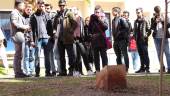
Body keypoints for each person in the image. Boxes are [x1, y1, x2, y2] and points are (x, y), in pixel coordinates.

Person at [53, 0, 77, 76]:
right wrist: (54, 31)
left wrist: (71, 30)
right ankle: (63, 71)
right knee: (61, 56)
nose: (62, 7)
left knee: (71, 55)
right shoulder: (57, 15)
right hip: (60, 39)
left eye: (63, 5)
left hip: (68, 38)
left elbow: (75, 23)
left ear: (65, 5)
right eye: (60, 5)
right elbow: (54, 26)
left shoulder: (69, 13)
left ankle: (71, 70)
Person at [30, 1, 52, 77]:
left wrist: (50, 35)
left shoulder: (46, 15)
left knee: (47, 56)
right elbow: (32, 29)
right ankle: (37, 72)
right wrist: (32, 40)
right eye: (40, 6)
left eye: (42, 6)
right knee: (37, 56)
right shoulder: (33, 16)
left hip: (46, 38)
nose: (41, 7)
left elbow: (50, 27)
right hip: (37, 39)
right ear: (37, 6)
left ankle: (48, 72)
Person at [10, 0, 30, 78]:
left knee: (20, 55)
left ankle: (19, 71)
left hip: (20, 35)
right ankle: (17, 72)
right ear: (17, 5)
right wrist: (25, 27)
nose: (23, 7)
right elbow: (14, 23)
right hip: (17, 36)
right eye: (22, 5)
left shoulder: (18, 13)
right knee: (18, 55)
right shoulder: (14, 12)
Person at [71, 7, 93, 76]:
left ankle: (89, 70)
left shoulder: (81, 19)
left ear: (77, 10)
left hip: (80, 40)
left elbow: (84, 29)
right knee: (75, 56)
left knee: (84, 55)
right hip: (73, 40)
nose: (73, 11)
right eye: (72, 10)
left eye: (74, 9)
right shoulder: (70, 19)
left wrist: (86, 39)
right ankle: (77, 71)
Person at [88, 5, 108, 72]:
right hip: (94, 40)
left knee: (104, 56)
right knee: (96, 57)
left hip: (102, 40)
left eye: (98, 12)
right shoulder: (92, 19)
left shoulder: (104, 18)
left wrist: (100, 20)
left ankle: (105, 70)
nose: (97, 13)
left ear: (101, 12)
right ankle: (97, 70)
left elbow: (106, 27)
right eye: (96, 12)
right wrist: (91, 36)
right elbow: (89, 29)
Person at [151, 6, 170, 73]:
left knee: (167, 53)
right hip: (156, 38)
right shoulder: (153, 17)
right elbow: (152, 27)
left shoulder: (165, 16)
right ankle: (162, 67)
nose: (157, 13)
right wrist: (155, 21)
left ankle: (169, 68)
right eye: (156, 12)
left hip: (164, 37)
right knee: (159, 54)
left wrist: (162, 21)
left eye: (158, 11)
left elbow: (168, 25)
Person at [134, 8, 151, 73]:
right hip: (137, 40)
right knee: (140, 55)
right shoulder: (135, 21)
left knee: (145, 54)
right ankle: (142, 68)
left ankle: (147, 68)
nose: (138, 13)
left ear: (141, 12)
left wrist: (146, 36)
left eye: (139, 12)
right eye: (137, 12)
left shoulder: (145, 20)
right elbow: (135, 30)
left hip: (143, 40)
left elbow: (149, 30)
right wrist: (134, 36)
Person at [112, 7, 129, 72]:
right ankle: (119, 67)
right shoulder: (113, 20)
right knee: (118, 55)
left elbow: (126, 28)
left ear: (117, 12)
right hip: (116, 40)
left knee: (124, 54)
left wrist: (120, 32)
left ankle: (126, 68)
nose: (112, 12)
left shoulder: (122, 19)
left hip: (122, 40)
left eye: (113, 11)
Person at [22, 3, 35, 76]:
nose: (29, 11)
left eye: (30, 10)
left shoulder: (33, 18)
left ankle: (31, 71)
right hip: (26, 40)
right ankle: (27, 71)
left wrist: (33, 41)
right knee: (26, 56)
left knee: (32, 56)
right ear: (25, 9)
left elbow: (33, 30)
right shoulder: (22, 18)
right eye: (28, 9)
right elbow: (28, 30)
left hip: (33, 41)